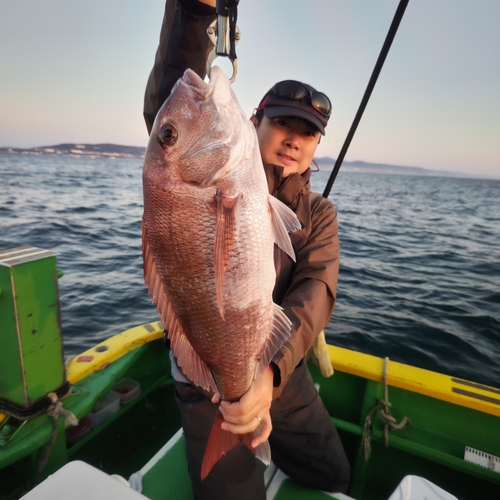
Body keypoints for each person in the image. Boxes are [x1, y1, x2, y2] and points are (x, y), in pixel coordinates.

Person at [143, 1, 351, 499]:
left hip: (279, 368)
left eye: (308, 133)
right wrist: (198, 10)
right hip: (207, 371)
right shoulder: (205, 174)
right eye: (283, 124)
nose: (294, 141)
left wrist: (269, 378)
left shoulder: (318, 215)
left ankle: (266, 430)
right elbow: (176, 91)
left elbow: (315, 293)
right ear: (254, 121)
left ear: (318, 145)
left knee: (334, 473)